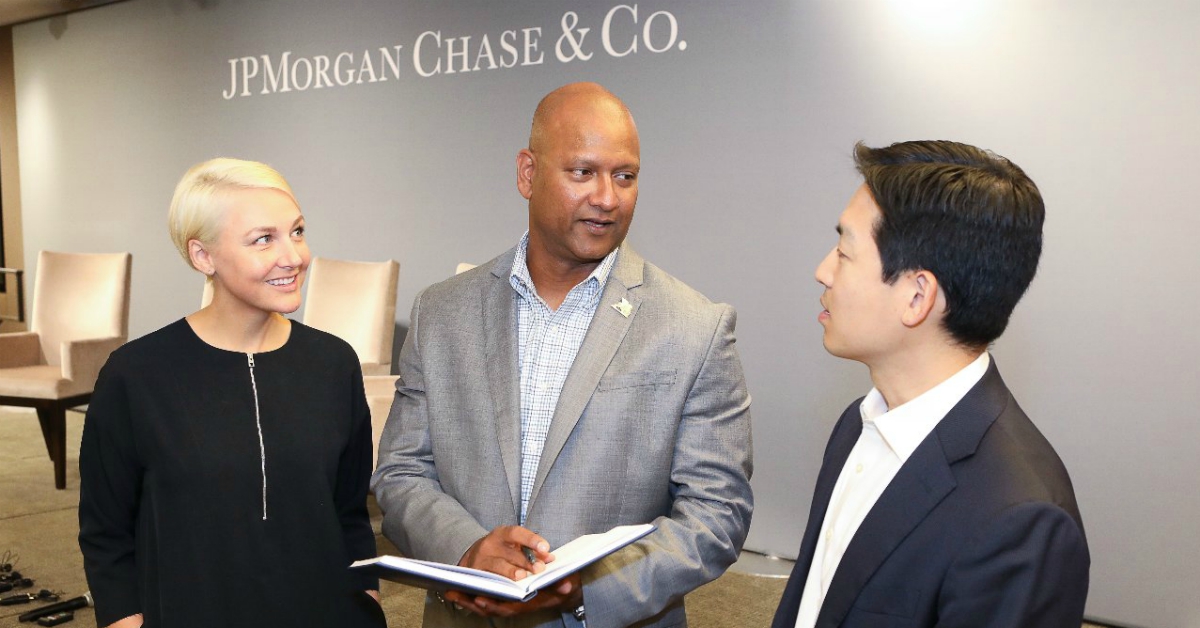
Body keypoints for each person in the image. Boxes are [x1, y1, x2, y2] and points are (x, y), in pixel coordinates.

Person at [371, 82, 754, 628]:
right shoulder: (442, 313)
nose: (607, 197)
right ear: (527, 174)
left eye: (625, 176)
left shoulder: (695, 327)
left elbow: (717, 513)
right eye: (583, 172)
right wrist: (466, 551)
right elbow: (402, 470)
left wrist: (583, 594)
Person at [772, 141, 1090, 628]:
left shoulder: (1021, 519)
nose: (823, 272)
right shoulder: (858, 424)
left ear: (917, 296)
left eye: (844, 253)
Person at [78, 158, 385, 628]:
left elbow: (350, 514)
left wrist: (367, 601)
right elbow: (106, 533)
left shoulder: (334, 363)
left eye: (297, 232)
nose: (294, 256)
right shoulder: (135, 374)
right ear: (203, 256)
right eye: (264, 239)